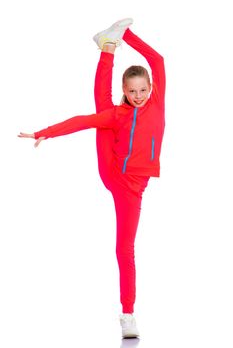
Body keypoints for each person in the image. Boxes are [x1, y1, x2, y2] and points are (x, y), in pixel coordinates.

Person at [18, 18, 166, 339]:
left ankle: (109, 46)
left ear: (151, 88)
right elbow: (81, 121)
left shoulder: (157, 102)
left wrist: (128, 35)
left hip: (135, 188)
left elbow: (158, 61)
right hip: (114, 173)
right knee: (102, 116)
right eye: (132, 91)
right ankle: (128, 315)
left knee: (124, 247)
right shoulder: (120, 112)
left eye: (143, 90)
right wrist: (45, 132)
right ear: (124, 92)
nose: (139, 95)